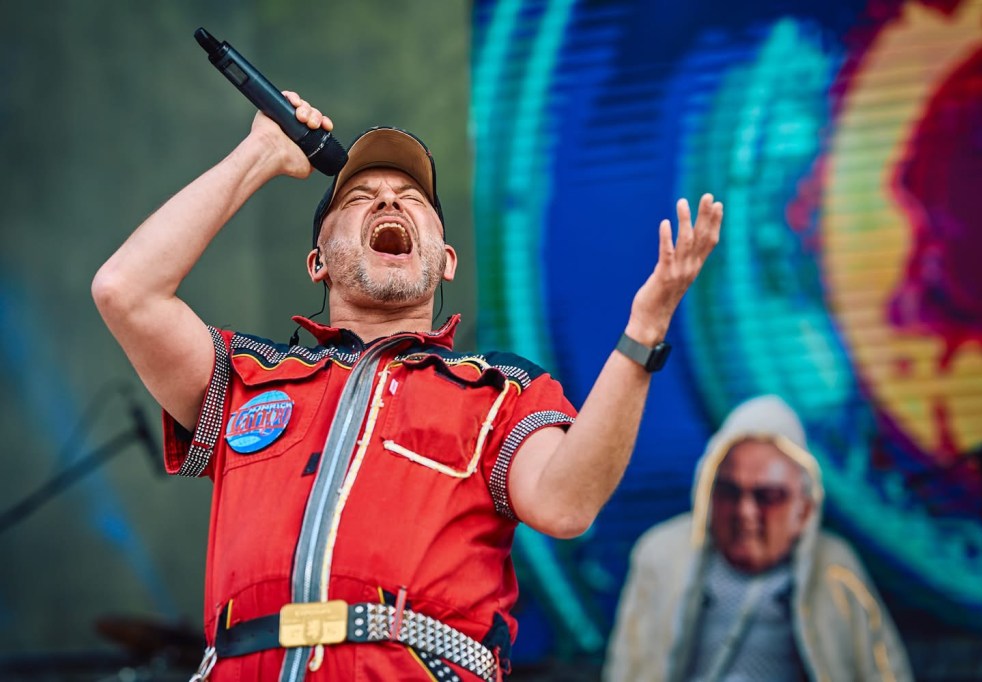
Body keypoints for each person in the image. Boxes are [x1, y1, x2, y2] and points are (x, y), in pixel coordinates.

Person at [91, 90, 723, 682]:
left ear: (445, 260)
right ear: (317, 261)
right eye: (358, 198)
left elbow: (565, 504)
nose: (389, 202)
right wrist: (259, 154)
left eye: (413, 199)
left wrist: (642, 334)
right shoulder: (248, 376)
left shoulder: (501, 389)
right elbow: (126, 291)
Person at [603, 395, 913, 682]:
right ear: (707, 494)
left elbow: (883, 668)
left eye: (768, 496)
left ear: (804, 509)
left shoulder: (835, 567)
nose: (746, 512)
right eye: (730, 491)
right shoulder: (662, 554)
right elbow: (627, 664)